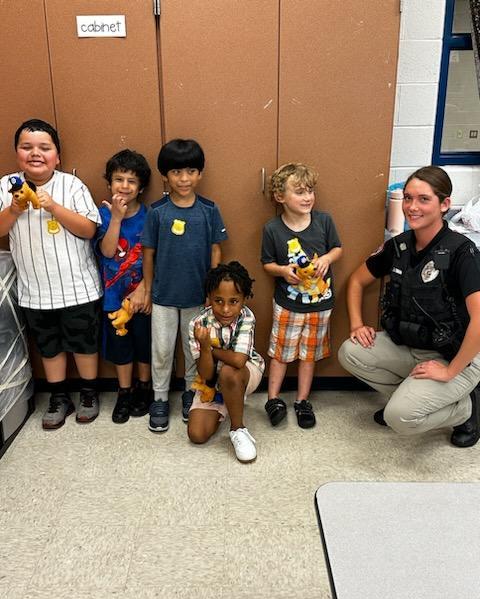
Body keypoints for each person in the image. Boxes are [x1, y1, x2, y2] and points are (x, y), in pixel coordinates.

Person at [338, 165, 480, 448]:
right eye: (407, 198)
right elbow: (355, 281)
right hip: (408, 346)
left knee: (400, 419)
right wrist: (356, 323)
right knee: (350, 352)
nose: (412, 207)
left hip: (456, 357)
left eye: (423, 199)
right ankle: (410, 400)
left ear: (445, 205)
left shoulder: (462, 252)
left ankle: (465, 410)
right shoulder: (399, 246)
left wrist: (451, 371)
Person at [0, 118, 102, 429]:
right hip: (35, 290)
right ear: (17, 153)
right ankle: (58, 396)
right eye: (26, 147)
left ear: (57, 155)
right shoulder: (5, 186)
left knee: (84, 343)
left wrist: (54, 207)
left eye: (44, 148)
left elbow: (89, 229)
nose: (36, 153)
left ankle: (88, 393)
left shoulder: (71, 185)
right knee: (49, 345)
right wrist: (15, 210)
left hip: (77, 287)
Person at [142, 138, 228, 432]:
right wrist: (148, 289)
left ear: (200, 174)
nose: (184, 178)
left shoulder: (209, 209)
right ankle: (161, 397)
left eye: (191, 171)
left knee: (194, 349)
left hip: (197, 297)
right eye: (177, 172)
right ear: (165, 176)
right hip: (163, 296)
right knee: (163, 350)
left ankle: (192, 392)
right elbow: (148, 253)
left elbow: (217, 250)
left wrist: (213, 293)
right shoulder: (157, 212)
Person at [261, 163, 342, 428]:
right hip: (288, 304)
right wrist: (283, 271)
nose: (307, 197)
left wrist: (328, 259)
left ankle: (302, 400)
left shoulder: (324, 221)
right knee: (281, 353)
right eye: (299, 192)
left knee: (309, 355)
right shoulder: (273, 229)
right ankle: (273, 399)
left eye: (310, 191)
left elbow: (337, 248)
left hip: (320, 304)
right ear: (280, 197)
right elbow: (267, 263)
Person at [187, 261, 265, 462]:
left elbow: (239, 360)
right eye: (218, 301)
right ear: (209, 299)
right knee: (197, 434)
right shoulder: (197, 324)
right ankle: (229, 401)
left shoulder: (246, 317)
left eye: (234, 301)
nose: (226, 309)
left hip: (245, 371)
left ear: (244, 300)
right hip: (212, 382)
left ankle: (238, 428)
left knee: (230, 372)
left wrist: (212, 349)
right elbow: (205, 375)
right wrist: (204, 348)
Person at [96, 149, 153, 424]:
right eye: (119, 179)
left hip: (142, 297)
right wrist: (116, 218)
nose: (125, 186)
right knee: (121, 348)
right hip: (114, 298)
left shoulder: (150, 216)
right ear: (109, 182)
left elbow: (158, 257)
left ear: (141, 187)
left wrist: (144, 288)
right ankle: (124, 392)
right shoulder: (102, 215)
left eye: (132, 181)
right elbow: (107, 252)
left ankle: (145, 388)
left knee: (144, 345)